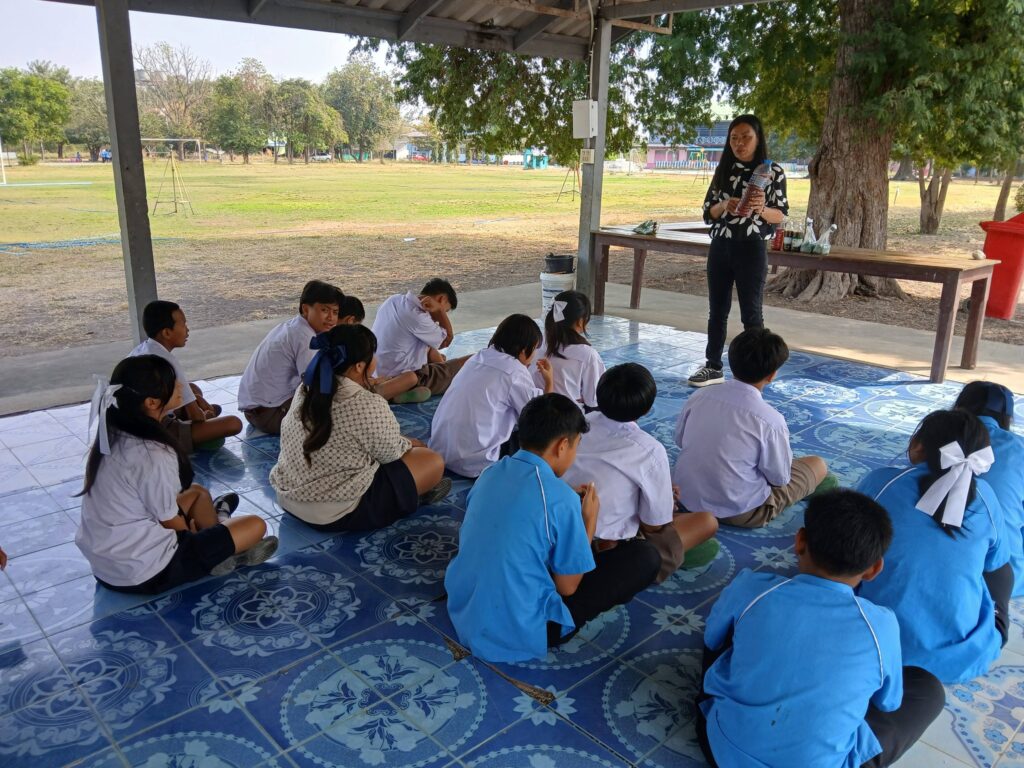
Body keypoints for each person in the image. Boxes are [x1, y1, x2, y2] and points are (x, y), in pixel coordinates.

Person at [697, 490, 945, 768]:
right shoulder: (881, 625)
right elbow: (888, 702)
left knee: (732, 634)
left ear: (799, 541)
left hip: (722, 749)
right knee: (928, 689)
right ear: (874, 569)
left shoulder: (751, 588)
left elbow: (712, 640)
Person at [444, 393, 661, 662]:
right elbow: (567, 587)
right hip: (523, 628)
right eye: (576, 447)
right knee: (644, 557)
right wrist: (589, 521)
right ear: (562, 446)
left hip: (465, 607)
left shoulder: (490, 473)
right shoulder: (561, 499)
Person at [75, 356, 278, 594]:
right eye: (173, 383)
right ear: (152, 402)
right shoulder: (153, 454)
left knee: (197, 493)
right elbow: (169, 521)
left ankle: (221, 537)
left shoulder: (115, 431)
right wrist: (187, 535)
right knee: (255, 525)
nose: (180, 386)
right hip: (147, 572)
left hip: (107, 567)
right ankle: (222, 536)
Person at [857, 409, 1011, 683]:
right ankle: (997, 625)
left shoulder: (882, 481)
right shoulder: (986, 496)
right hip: (960, 657)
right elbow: (995, 561)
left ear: (918, 445)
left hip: (872, 643)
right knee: (998, 570)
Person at [270, 324, 451, 532]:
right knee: (431, 460)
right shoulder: (365, 403)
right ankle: (411, 498)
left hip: (288, 497)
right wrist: (411, 443)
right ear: (358, 366)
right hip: (332, 514)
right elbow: (391, 454)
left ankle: (410, 492)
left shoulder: (307, 387)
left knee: (382, 450)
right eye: (373, 355)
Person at [562, 363, 719, 581]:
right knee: (707, 522)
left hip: (559, 530)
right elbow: (653, 526)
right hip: (605, 549)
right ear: (647, 409)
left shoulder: (575, 424)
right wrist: (662, 501)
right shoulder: (649, 450)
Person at [674, 328, 831, 528]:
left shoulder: (699, 396)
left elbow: (680, 441)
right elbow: (779, 478)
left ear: (731, 362)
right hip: (741, 511)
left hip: (684, 497)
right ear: (772, 375)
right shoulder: (770, 420)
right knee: (817, 464)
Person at [688, 114, 789, 387]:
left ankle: (756, 373)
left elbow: (781, 214)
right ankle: (713, 366)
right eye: (734, 138)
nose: (739, 143)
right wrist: (724, 205)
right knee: (717, 311)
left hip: (752, 247)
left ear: (758, 139)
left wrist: (760, 208)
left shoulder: (771, 171)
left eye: (746, 137)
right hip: (721, 246)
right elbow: (708, 213)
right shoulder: (724, 168)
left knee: (751, 314)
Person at [430, 314, 553, 478]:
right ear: (524, 350)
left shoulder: (478, 357)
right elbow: (540, 416)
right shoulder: (514, 371)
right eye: (535, 349)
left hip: (439, 452)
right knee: (537, 434)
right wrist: (549, 382)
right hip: (474, 463)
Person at [129, 300, 242, 452]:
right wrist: (206, 415)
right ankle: (186, 432)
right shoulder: (166, 362)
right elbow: (197, 417)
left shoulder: (142, 349)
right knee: (233, 423)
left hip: (136, 419)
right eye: (183, 324)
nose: (187, 330)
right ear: (167, 333)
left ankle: (187, 417)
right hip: (153, 431)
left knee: (193, 389)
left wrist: (198, 400)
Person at [237, 280, 343, 435]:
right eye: (324, 310)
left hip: (255, 411)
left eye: (335, 312)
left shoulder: (293, 326)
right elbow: (315, 384)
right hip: (270, 414)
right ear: (305, 309)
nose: (331, 318)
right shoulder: (305, 337)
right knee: (340, 412)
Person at [954, 381, 1024, 596]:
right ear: (1006, 418)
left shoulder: (937, 438)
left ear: (958, 408)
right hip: (1006, 578)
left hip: (940, 568)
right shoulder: (1019, 447)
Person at [370, 278, 470, 401]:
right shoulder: (418, 316)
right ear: (441, 299)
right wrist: (439, 310)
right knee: (471, 361)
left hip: (376, 372)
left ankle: (398, 394)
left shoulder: (393, 300)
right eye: (446, 310)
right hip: (402, 377)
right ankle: (401, 390)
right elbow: (447, 340)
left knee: (431, 351)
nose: (440, 317)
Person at [532, 290, 605, 410]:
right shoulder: (587, 355)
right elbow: (593, 400)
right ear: (580, 321)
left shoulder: (537, 344)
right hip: (568, 417)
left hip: (535, 412)